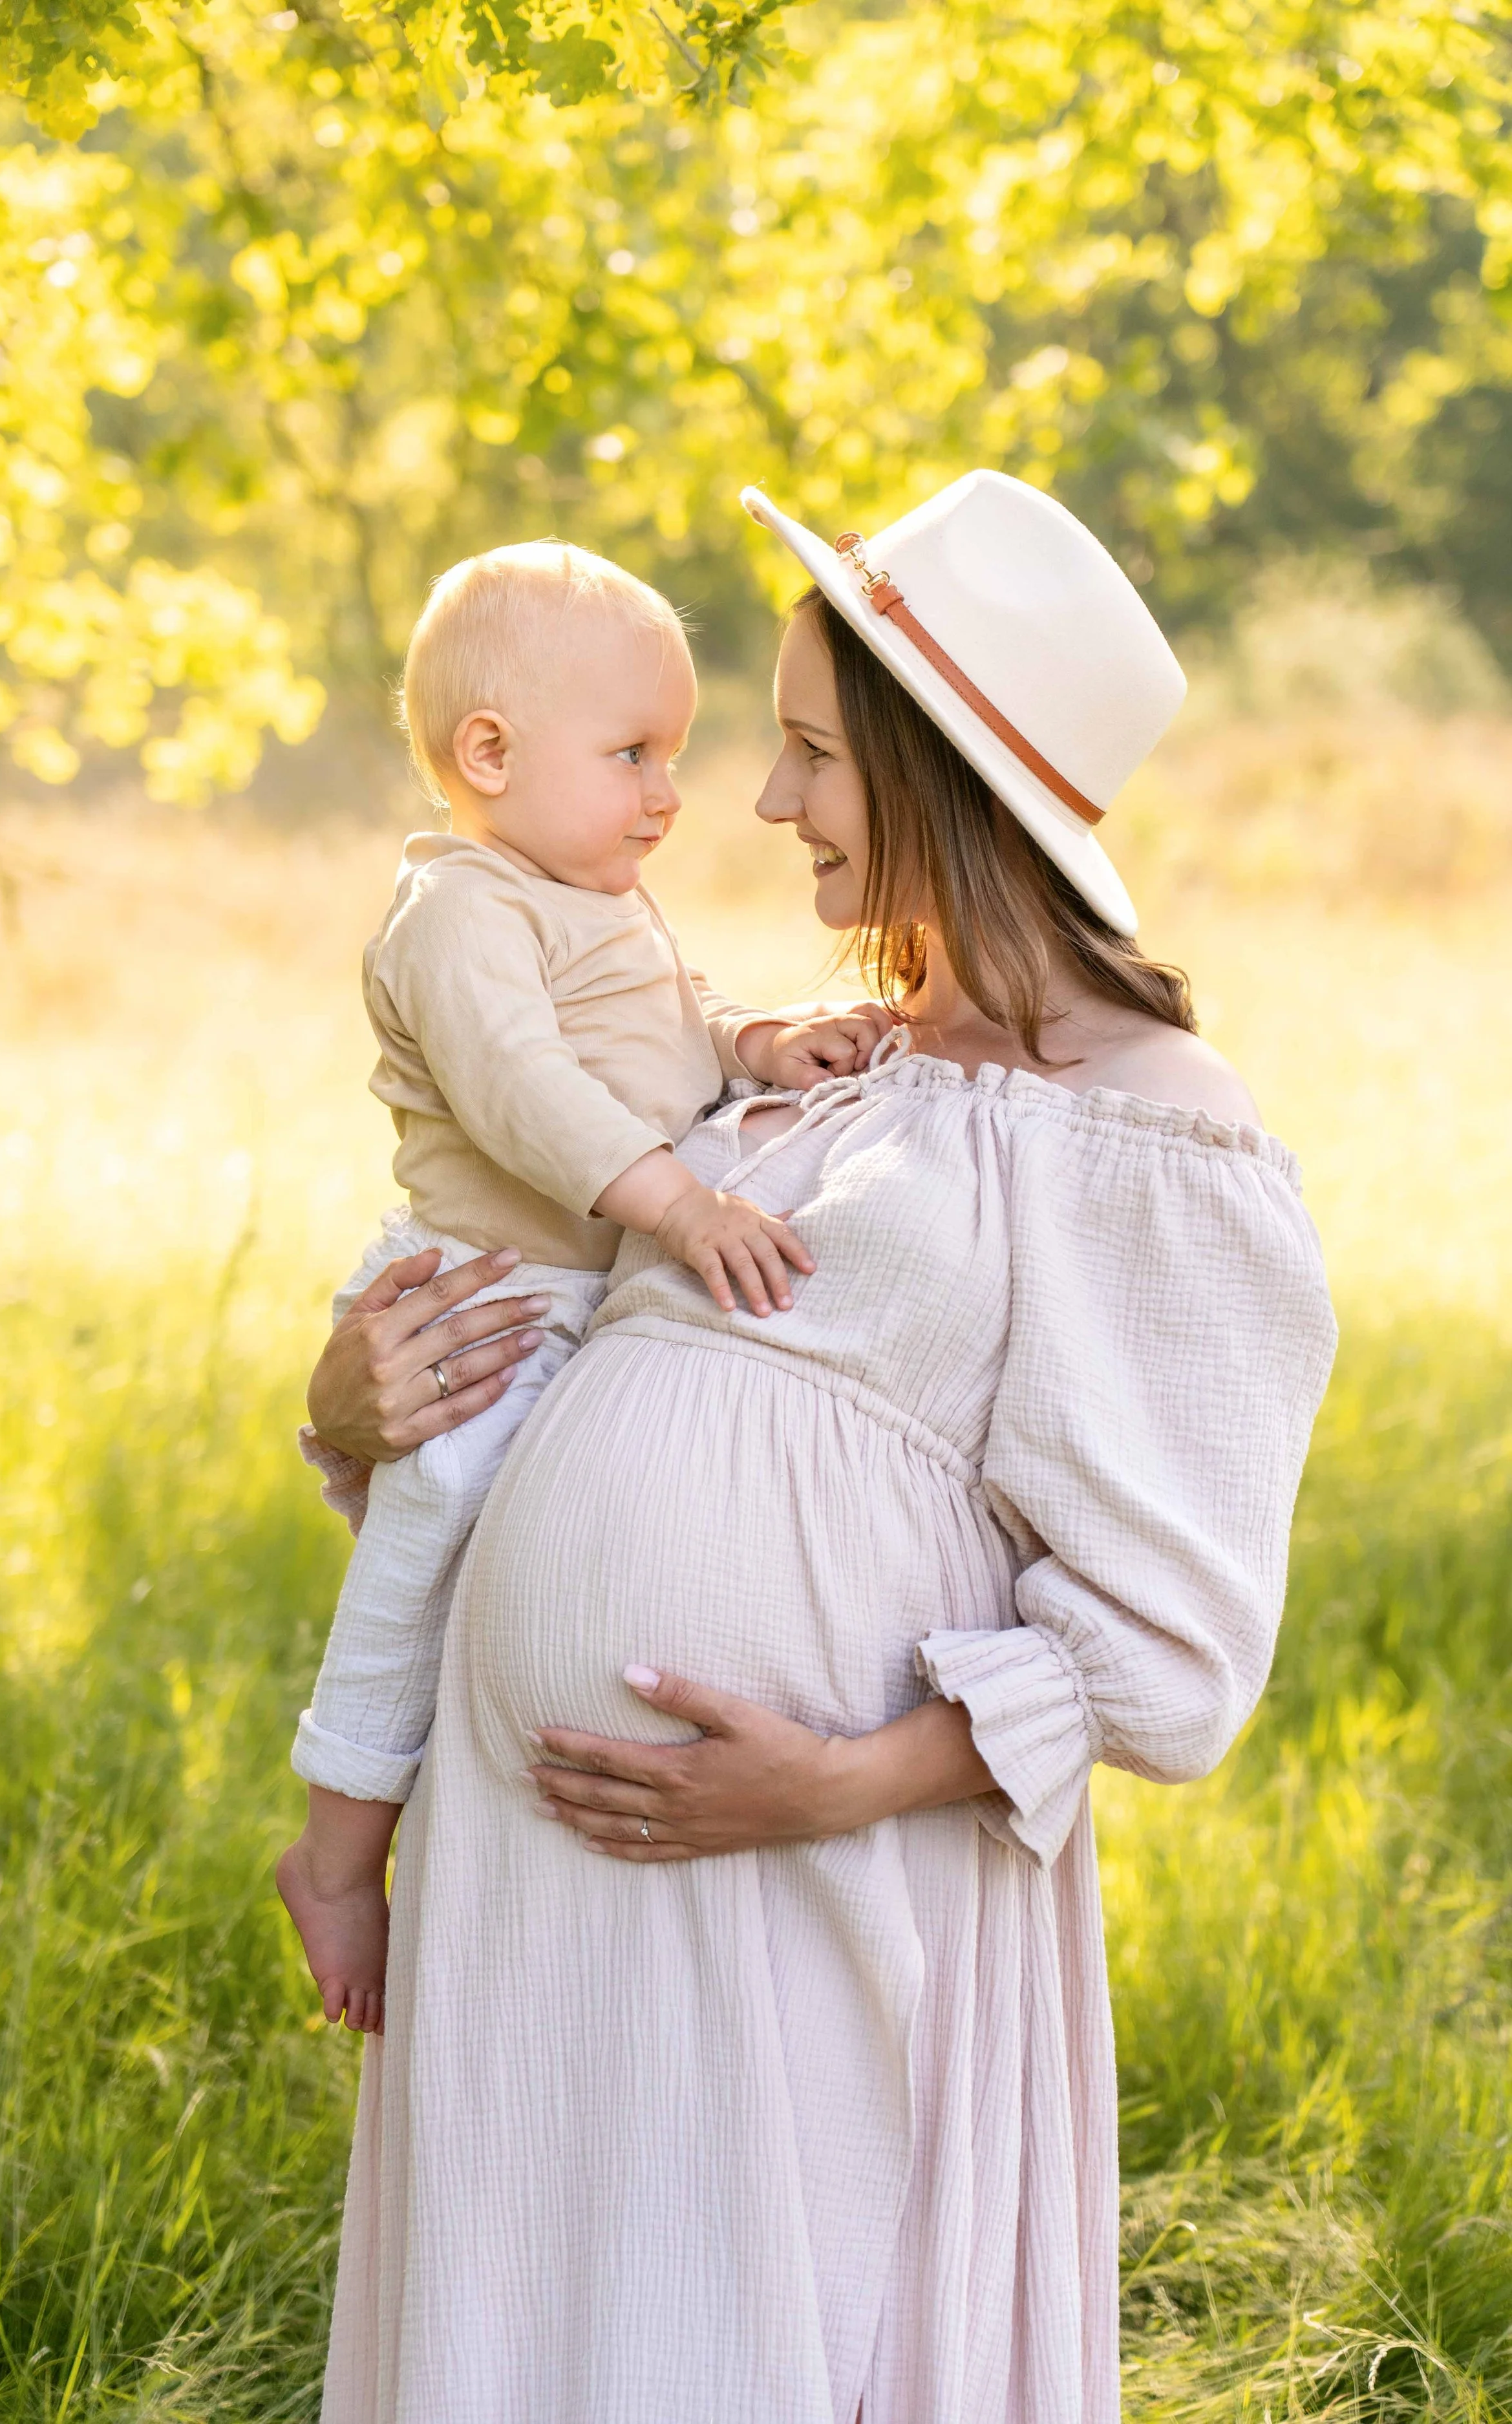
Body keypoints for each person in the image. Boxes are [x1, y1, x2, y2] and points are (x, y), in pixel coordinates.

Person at [289, 471, 1337, 2424]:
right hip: (542, 1865)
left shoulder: (1149, 1129)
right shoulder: (808, 1057)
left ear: (940, 776)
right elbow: (545, 1345)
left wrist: (834, 1781)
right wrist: (351, 1402)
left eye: (807, 753)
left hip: (799, 1880)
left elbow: (1172, 1661)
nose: (761, 807)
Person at [281, 540, 893, 2026]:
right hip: (482, 1293)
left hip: (571, 1294)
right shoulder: (460, 914)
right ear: (485, 754)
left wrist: (759, 1048)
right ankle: (335, 1848)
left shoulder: (592, 898)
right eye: (633, 754)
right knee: (422, 1555)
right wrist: (678, 1204)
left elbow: (664, 1030)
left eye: (671, 755)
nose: (670, 794)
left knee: (505, 1564)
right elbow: (525, 1095)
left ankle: (465, 1851)